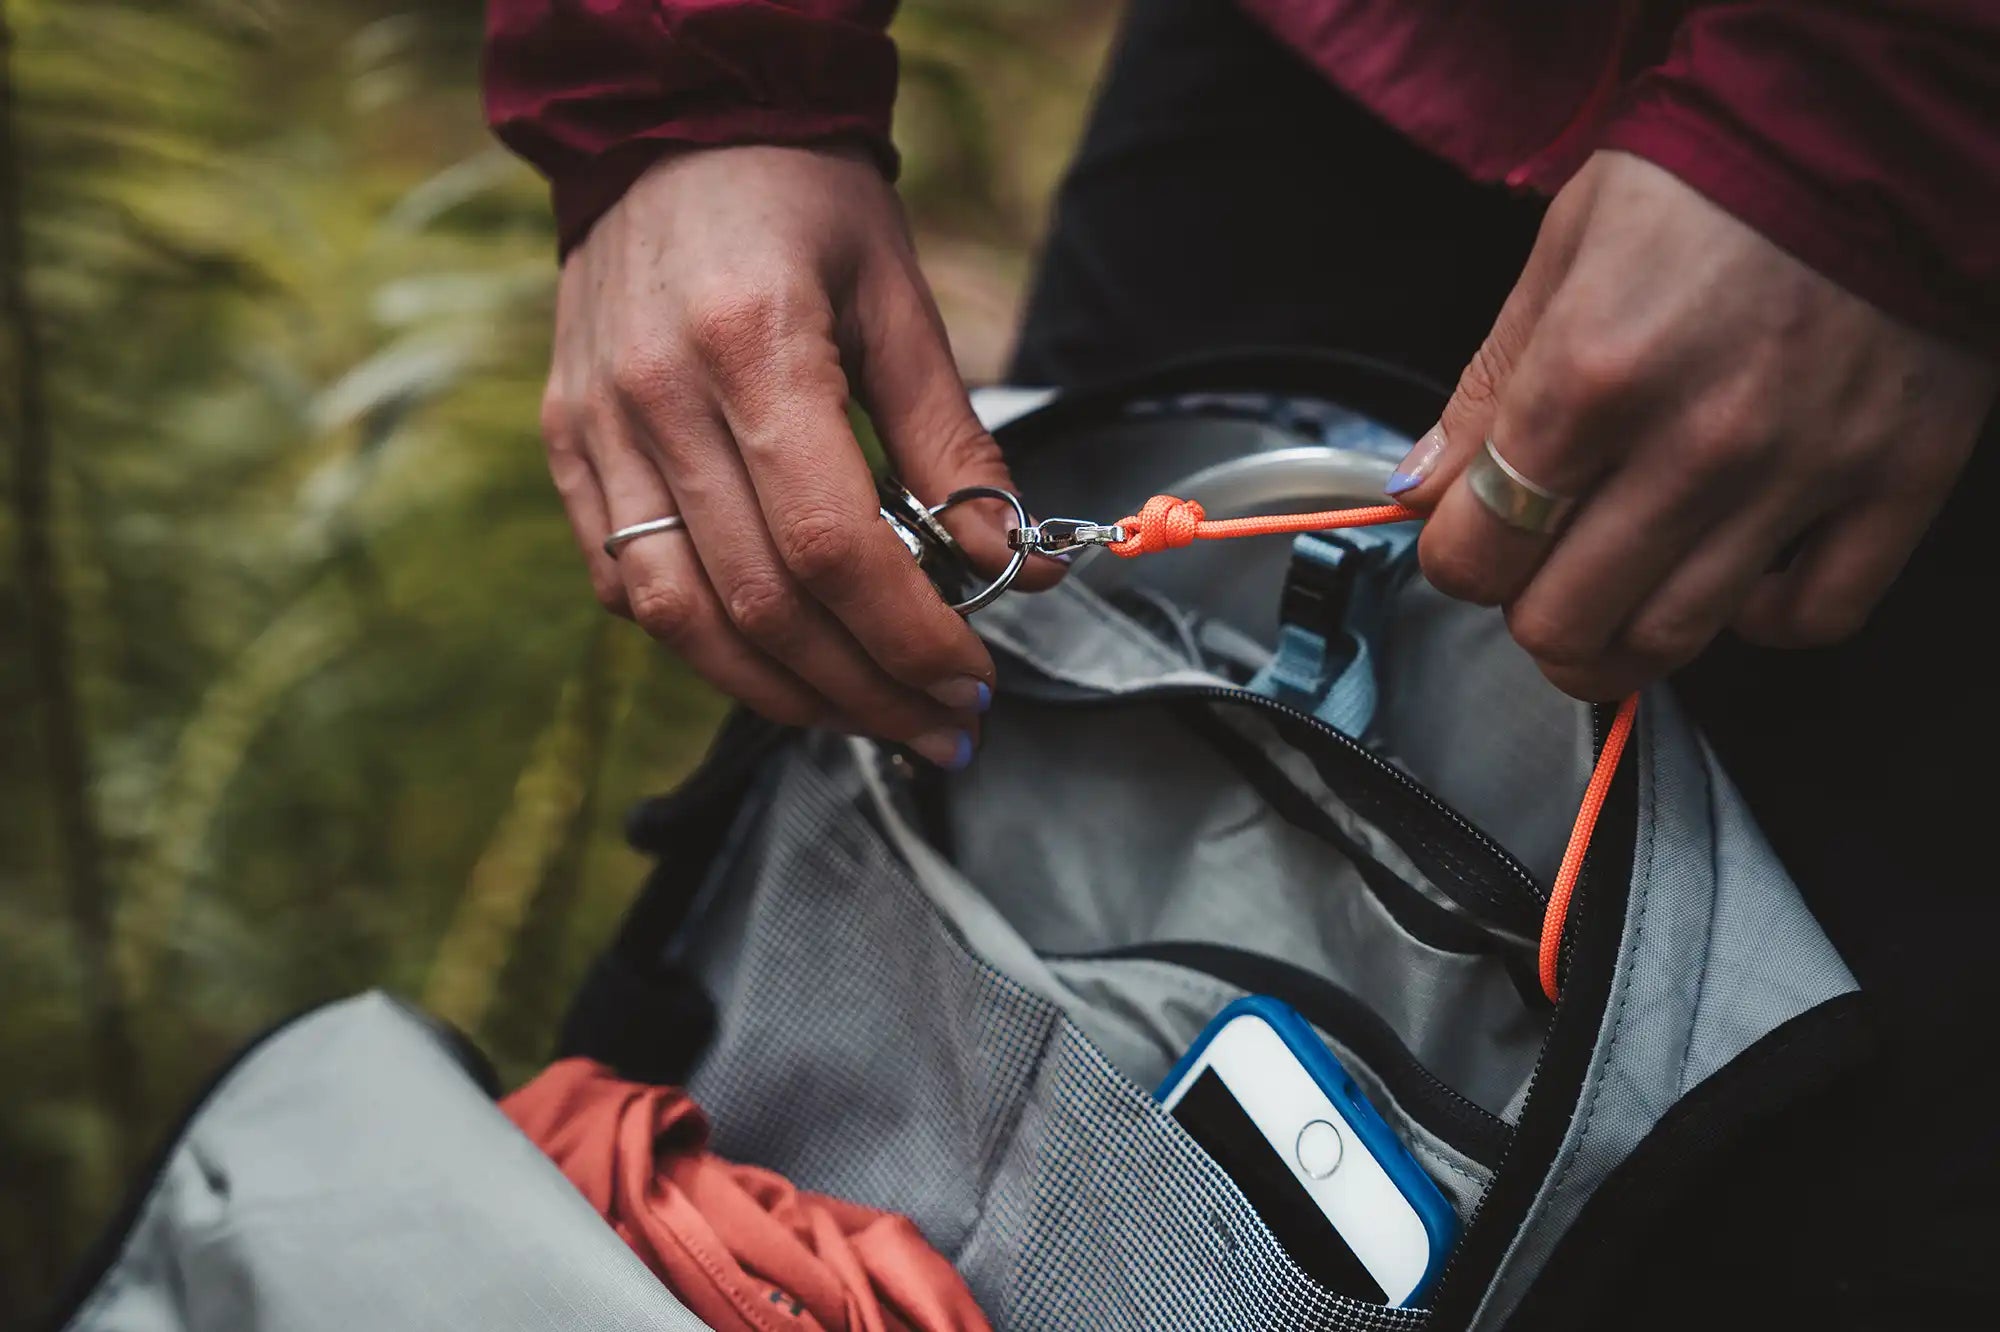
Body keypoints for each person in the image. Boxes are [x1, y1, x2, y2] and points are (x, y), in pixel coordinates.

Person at [483, 1, 1998, 1325]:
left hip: (1885, 242)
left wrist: (1892, 116)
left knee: (1803, 1218)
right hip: (1353, 67)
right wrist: (696, 76)